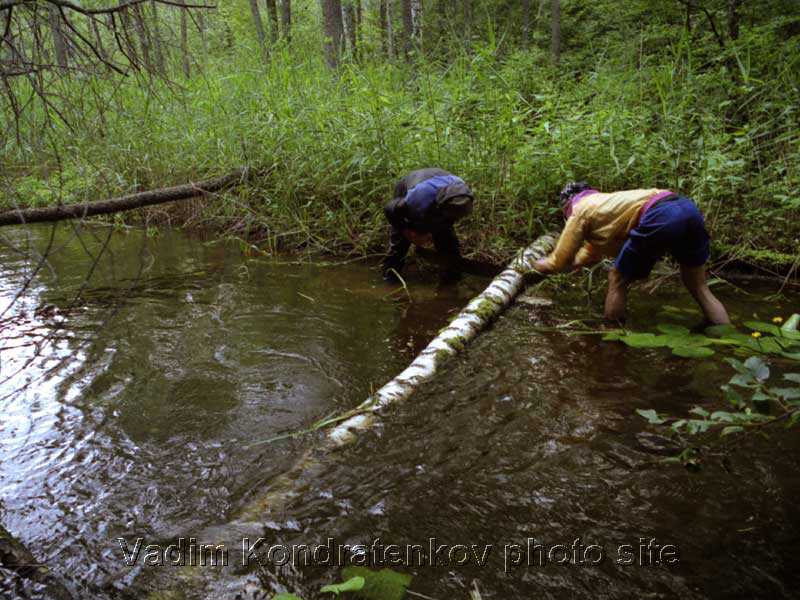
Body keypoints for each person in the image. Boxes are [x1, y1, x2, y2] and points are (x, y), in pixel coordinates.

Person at [533, 182, 730, 325]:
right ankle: (726, 338)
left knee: (617, 279)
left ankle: (612, 338)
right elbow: (589, 255)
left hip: (661, 214)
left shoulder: (580, 210)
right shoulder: (603, 205)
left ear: (567, 205)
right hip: (688, 209)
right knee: (699, 286)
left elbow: (556, 262)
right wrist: (571, 264)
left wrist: (533, 265)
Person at [382, 168, 474, 282]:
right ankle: (390, 277)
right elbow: (390, 210)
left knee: (448, 244)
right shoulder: (418, 197)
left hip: (436, 197)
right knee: (399, 245)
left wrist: (433, 230)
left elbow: (446, 223)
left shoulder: (463, 195)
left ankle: (451, 280)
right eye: (452, 213)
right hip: (409, 190)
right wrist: (408, 232)